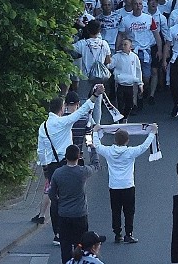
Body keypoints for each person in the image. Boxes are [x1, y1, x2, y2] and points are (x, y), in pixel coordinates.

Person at [35, 86, 104, 245]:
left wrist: (45, 170)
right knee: (77, 194)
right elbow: (88, 136)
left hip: (52, 166)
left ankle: (58, 232)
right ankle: (77, 229)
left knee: (55, 198)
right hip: (73, 159)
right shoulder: (74, 119)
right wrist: (90, 148)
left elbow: (41, 151)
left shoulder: (44, 126)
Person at [92, 125, 157, 244]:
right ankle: (129, 234)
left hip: (114, 186)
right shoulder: (131, 152)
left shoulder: (108, 152)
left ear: (114, 140)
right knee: (129, 211)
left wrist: (95, 132)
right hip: (128, 186)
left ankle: (117, 234)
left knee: (115, 211)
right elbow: (144, 146)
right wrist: (152, 133)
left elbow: (97, 146)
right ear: (127, 140)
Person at [49, 144, 100, 264]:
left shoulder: (58, 173)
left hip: (64, 215)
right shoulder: (83, 172)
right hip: (80, 215)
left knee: (65, 246)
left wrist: (59, 203)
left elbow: (52, 194)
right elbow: (96, 166)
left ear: (66, 157)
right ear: (79, 157)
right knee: (81, 244)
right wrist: (93, 150)